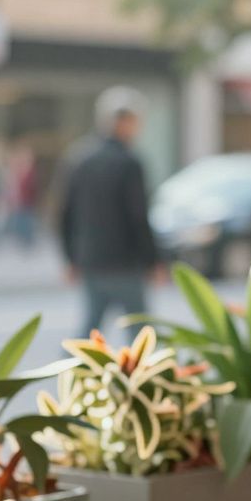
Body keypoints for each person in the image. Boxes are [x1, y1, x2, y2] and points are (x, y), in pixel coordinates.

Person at [59, 86, 160, 339]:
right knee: (140, 333)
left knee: (89, 331)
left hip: (91, 260)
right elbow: (138, 217)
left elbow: (64, 214)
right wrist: (153, 260)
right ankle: (141, 379)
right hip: (125, 263)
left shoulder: (79, 158)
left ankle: (72, 373)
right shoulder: (129, 162)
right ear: (123, 122)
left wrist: (70, 257)